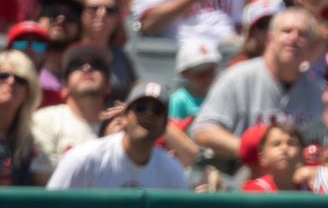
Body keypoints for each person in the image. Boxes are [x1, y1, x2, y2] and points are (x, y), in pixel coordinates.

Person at [191, 7, 325, 159]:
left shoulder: (319, 91)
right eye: (287, 31)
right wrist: (252, 151)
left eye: (302, 34)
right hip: (241, 175)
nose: (294, 38)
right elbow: (203, 131)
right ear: (269, 39)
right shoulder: (238, 77)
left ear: (311, 46)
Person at [47, 81, 188, 190]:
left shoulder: (172, 171)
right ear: (123, 118)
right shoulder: (84, 160)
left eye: (157, 111)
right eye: (140, 108)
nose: (148, 114)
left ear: (164, 127)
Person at [30, 43, 109, 173]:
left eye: (97, 65)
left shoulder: (119, 128)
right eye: (76, 65)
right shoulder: (45, 120)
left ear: (108, 85)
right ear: (64, 87)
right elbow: (44, 184)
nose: (87, 68)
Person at [77, 0, 135, 102]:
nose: (102, 14)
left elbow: (136, 89)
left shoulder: (123, 56)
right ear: (80, 13)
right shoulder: (65, 52)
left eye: (110, 10)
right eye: (94, 8)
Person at [0, 49, 46, 185]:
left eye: (20, 79)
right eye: (3, 76)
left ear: (28, 92)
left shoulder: (33, 139)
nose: (11, 81)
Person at [167, 38, 222, 130]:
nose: (207, 78)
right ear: (184, 73)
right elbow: (174, 131)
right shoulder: (178, 100)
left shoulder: (218, 96)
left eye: (211, 72)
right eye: (200, 74)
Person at [241, 120, 305, 192]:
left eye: (291, 143)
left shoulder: (310, 188)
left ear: (302, 153)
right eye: (276, 144)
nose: (284, 149)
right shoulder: (255, 190)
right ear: (263, 157)